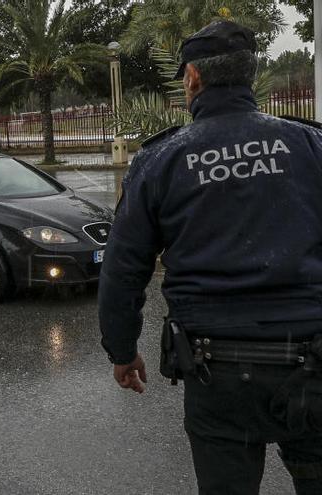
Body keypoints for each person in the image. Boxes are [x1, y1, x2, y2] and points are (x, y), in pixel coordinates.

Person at [99, 21, 322, 494]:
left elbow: (123, 269)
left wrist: (122, 350)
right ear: (249, 75)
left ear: (193, 78)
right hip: (312, 362)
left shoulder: (162, 159)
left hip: (217, 374)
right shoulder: (309, 146)